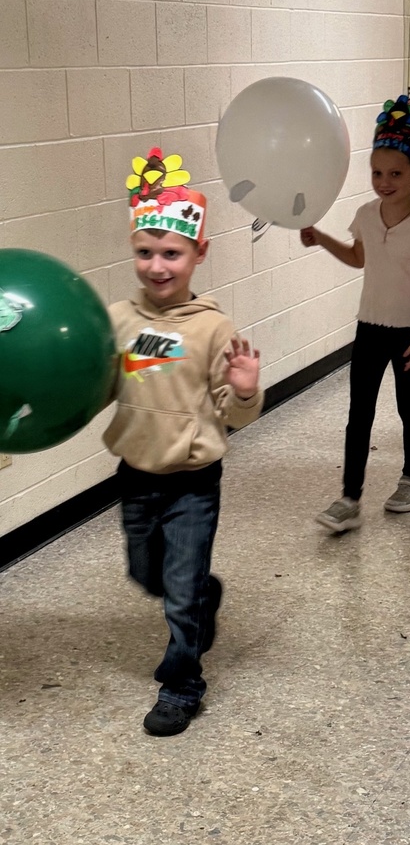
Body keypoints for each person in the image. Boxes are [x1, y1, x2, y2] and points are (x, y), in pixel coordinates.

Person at [104, 146, 263, 736]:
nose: (157, 266)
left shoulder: (213, 328)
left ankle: (183, 682)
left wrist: (244, 389)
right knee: (146, 573)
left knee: (177, 587)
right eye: (145, 253)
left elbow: (236, 415)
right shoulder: (119, 319)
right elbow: (97, 385)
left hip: (194, 480)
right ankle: (204, 596)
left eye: (171, 253)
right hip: (135, 475)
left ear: (199, 253)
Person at [300, 96, 410, 533]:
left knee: (409, 407)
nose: (384, 182)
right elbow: (358, 258)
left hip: (408, 331)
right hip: (369, 327)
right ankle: (350, 497)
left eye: (396, 174)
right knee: (358, 413)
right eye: (378, 173)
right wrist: (321, 239)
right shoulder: (366, 214)